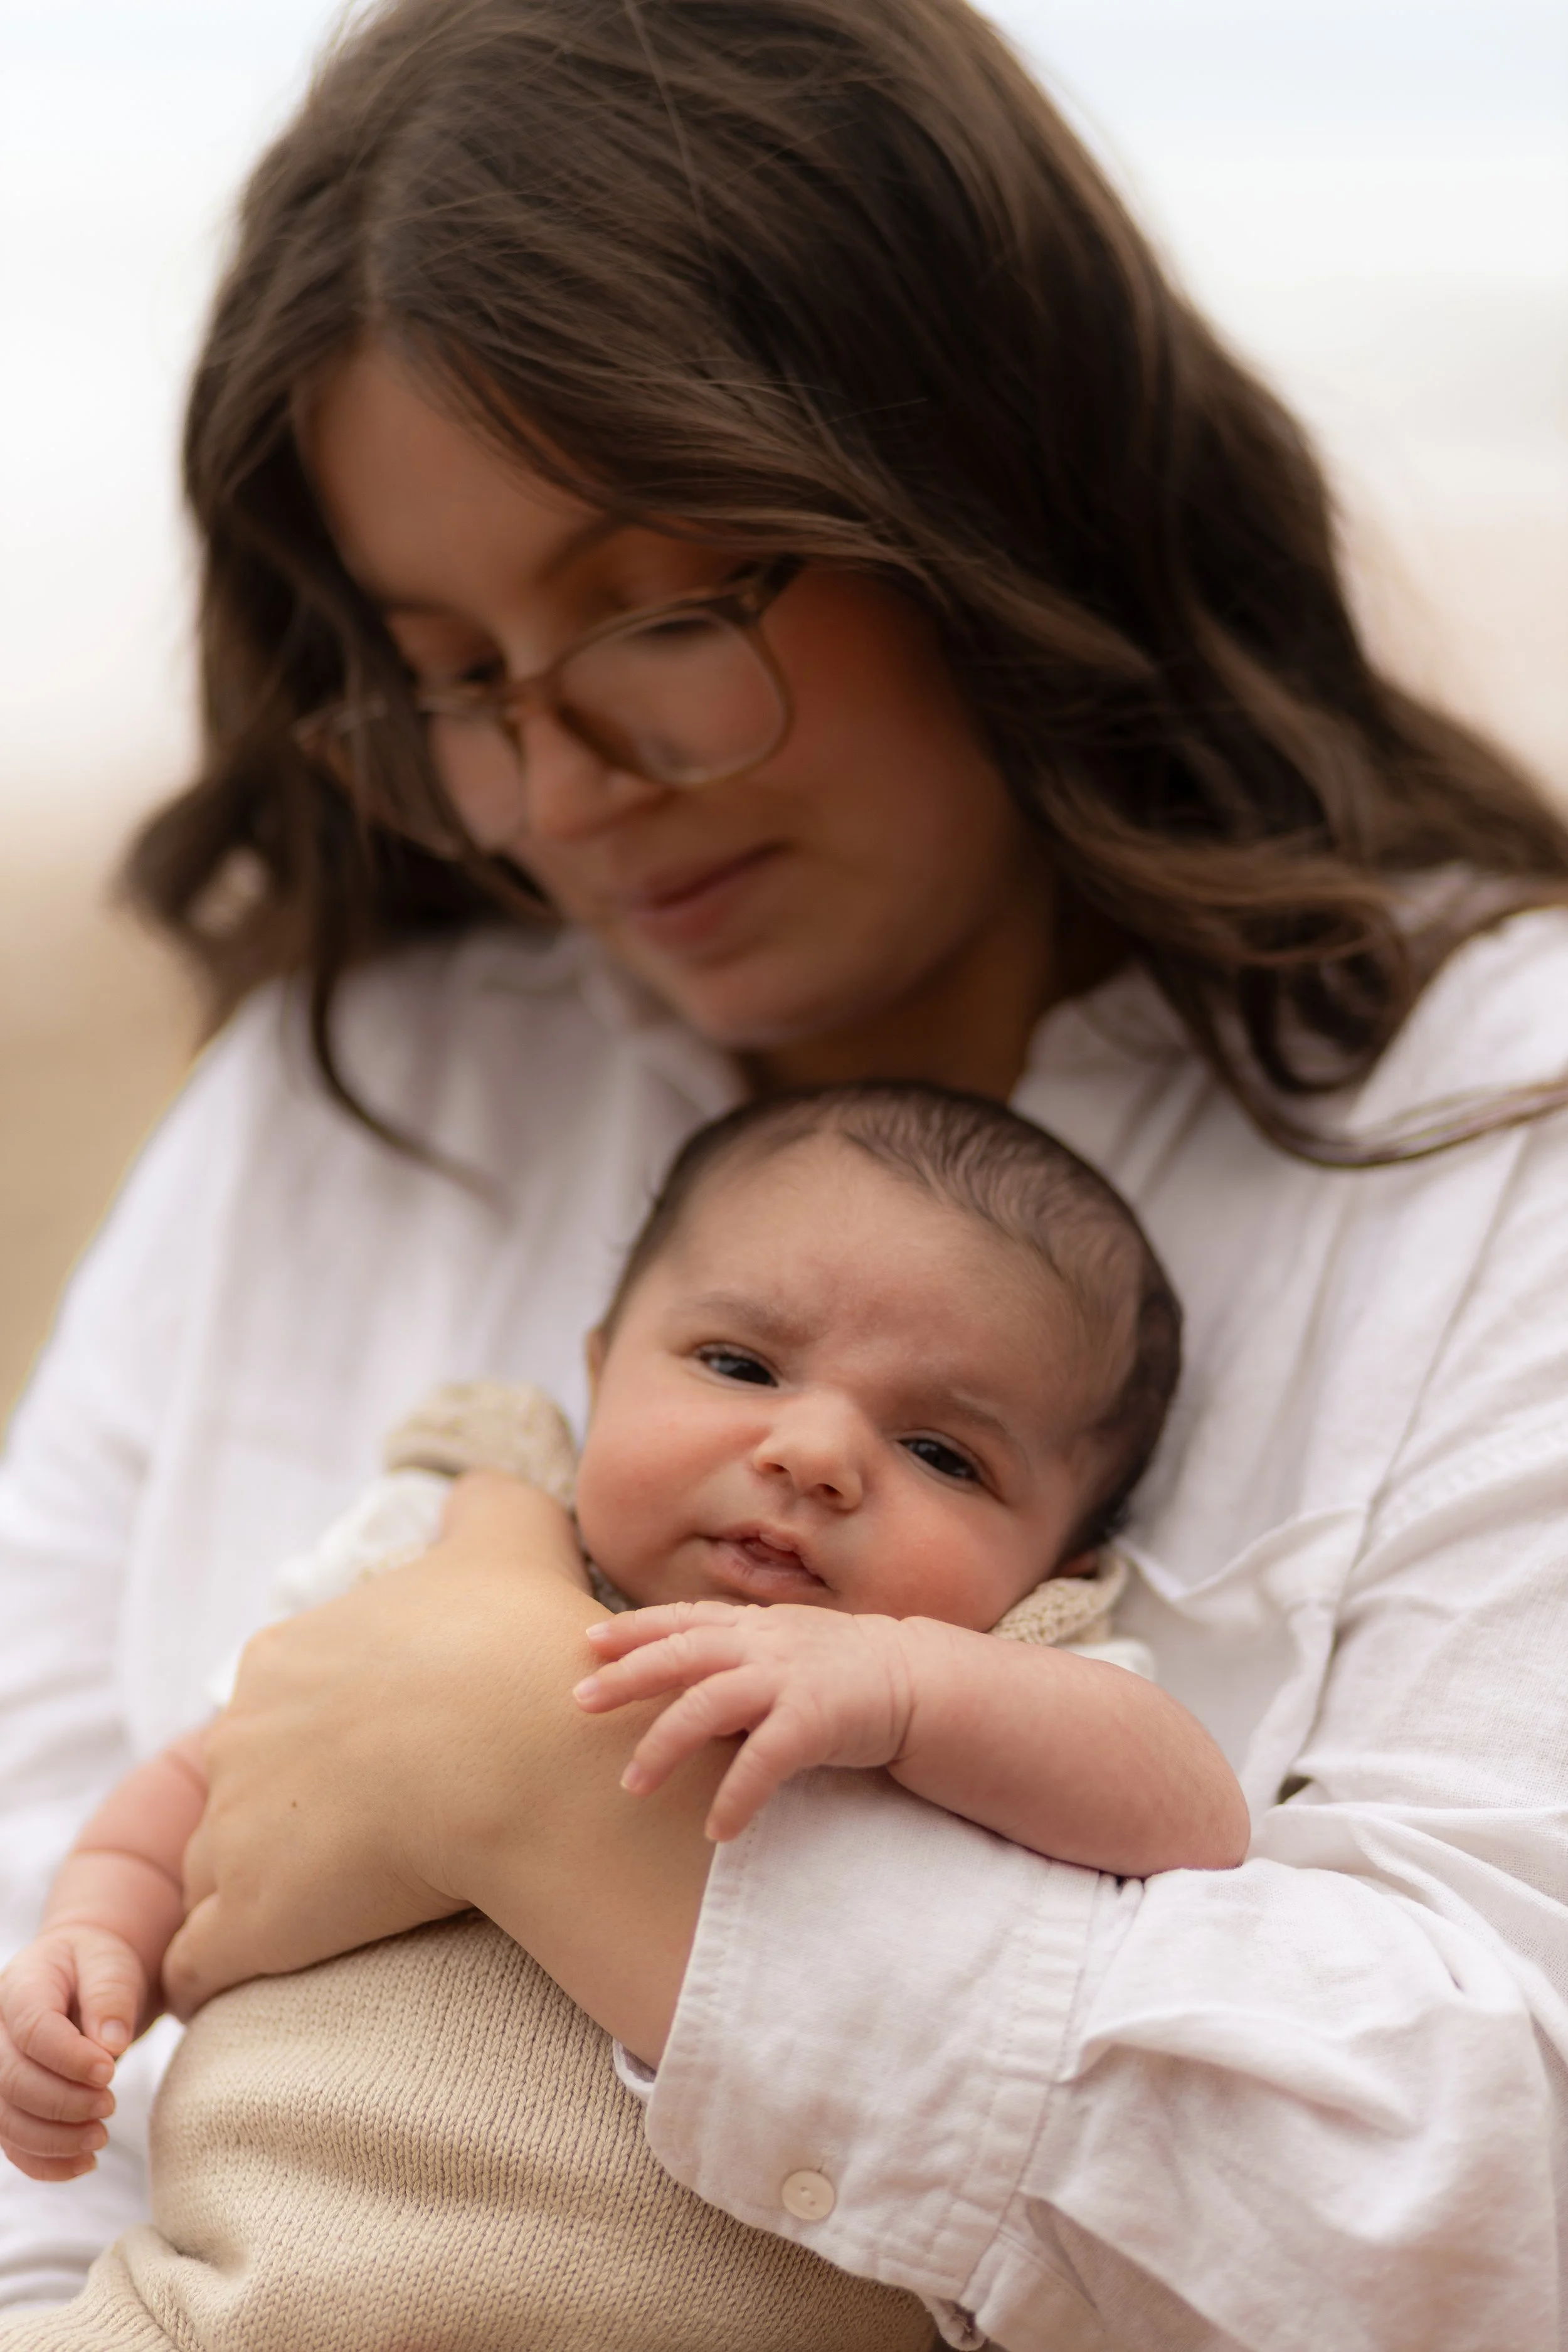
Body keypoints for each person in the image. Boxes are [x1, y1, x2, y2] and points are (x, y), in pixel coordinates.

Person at [1, 0, 1565, 2343]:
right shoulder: (360, 1095)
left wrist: (541, 1787)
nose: (556, 792)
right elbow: (40, 2093)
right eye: (449, 673)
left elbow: (1498, 2194)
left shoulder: (1493, 1127)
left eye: (652, 611)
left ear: (986, 480)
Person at [0, 1084, 1242, 2206]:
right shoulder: (439, 1546)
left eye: (940, 1455)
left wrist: (908, 1691)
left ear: (1058, 1566)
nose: (810, 1454)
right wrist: (93, 1945)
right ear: (597, 1376)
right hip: (243, 2279)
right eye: (739, 1363)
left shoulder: (997, 1671)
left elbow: (1193, 1818)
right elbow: (202, 1776)